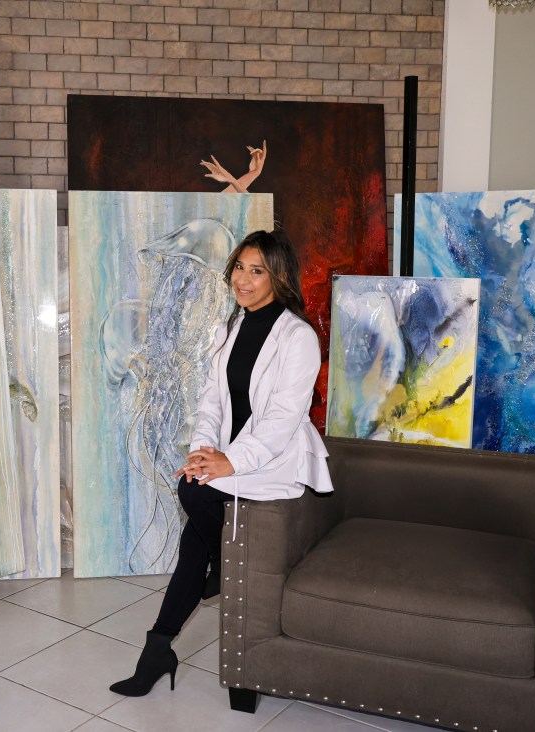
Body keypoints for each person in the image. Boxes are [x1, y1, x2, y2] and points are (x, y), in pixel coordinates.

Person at [109, 228, 333, 697]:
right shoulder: (230, 328)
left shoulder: (298, 337)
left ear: (279, 277)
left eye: (257, 271)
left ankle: (171, 633)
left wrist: (229, 462)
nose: (243, 280)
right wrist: (202, 451)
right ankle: (160, 646)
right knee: (194, 525)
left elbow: (281, 420)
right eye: (239, 268)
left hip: (274, 458)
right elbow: (211, 400)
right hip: (232, 452)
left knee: (191, 493)